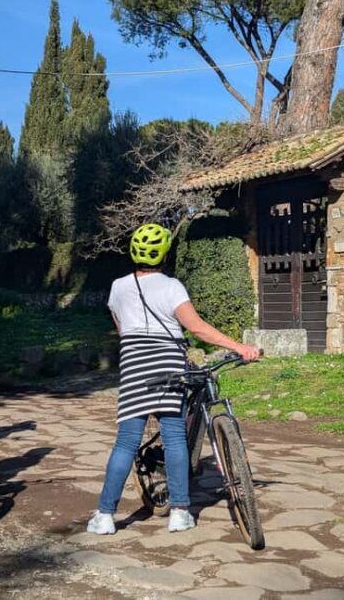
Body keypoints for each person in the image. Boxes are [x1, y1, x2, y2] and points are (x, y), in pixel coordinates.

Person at [87, 223, 260, 535]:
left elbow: (123, 329)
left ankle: (105, 516)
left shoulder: (117, 287)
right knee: (175, 437)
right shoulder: (171, 287)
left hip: (135, 365)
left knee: (126, 441)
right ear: (165, 254)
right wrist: (240, 346)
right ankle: (180, 511)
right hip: (168, 362)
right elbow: (197, 328)